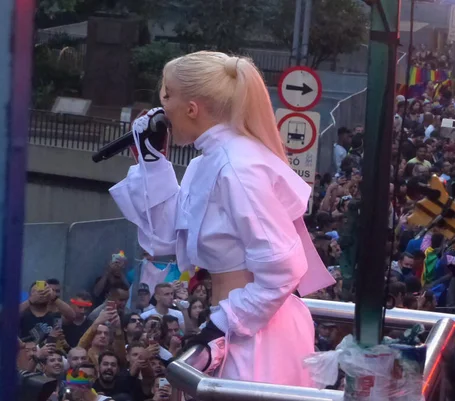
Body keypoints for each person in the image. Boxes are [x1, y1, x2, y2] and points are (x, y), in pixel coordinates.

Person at [109, 51, 334, 385]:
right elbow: (166, 239)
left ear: (192, 108)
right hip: (241, 325)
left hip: (258, 335)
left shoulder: (236, 166)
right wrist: (153, 162)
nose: (161, 109)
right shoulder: (210, 161)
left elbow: (284, 267)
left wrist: (226, 321)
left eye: (166, 96)